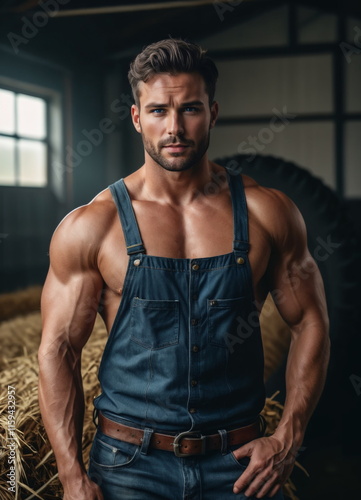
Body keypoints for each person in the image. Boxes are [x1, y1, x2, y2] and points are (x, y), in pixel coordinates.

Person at [38, 38, 330, 500]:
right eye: (158, 111)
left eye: (190, 109)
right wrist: (72, 476)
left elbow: (310, 321)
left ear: (212, 113)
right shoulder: (93, 226)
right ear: (137, 118)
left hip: (239, 466)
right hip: (128, 466)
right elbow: (57, 350)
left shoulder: (266, 212)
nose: (174, 127)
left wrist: (288, 438)